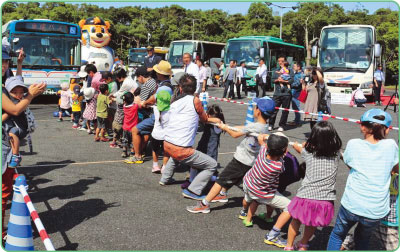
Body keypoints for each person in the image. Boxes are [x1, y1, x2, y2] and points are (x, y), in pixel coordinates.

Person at [327, 109, 398, 250]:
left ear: (362, 126)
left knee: (337, 235)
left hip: (352, 204)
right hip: (376, 210)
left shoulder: (353, 144)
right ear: (387, 130)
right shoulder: (391, 146)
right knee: (363, 238)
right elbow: (396, 169)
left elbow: (350, 164)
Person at [186, 97, 274, 212]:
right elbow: (242, 128)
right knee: (234, 178)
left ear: (258, 111)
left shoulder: (255, 126)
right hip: (251, 160)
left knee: (221, 179)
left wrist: (225, 128)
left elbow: (234, 134)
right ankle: (222, 193)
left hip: (241, 159)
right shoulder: (264, 126)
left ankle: (204, 204)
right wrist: (227, 126)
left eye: (255, 107)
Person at [2, 43, 46, 238]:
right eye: (1, 62)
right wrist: (30, 96)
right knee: (3, 191)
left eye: (5, 61)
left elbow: (14, 81)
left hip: (6, 142)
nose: (4, 65)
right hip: (3, 145)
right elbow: (14, 109)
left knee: (5, 188)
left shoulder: (5, 82)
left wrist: (19, 64)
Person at [159, 74, 221, 200]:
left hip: (167, 144)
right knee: (212, 165)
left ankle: (165, 178)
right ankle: (193, 190)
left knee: (176, 156)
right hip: (181, 148)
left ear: (180, 88)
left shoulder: (175, 102)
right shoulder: (195, 101)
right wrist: (216, 119)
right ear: (195, 88)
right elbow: (204, 119)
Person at [285, 121, 342, 251]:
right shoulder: (337, 154)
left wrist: (296, 144)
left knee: (296, 221)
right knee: (312, 223)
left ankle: (289, 246)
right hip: (324, 199)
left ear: (313, 137)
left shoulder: (308, 153)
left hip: (305, 196)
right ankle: (303, 244)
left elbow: (301, 147)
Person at [240, 133, 292, 248]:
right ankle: (272, 236)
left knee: (247, 199)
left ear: (268, 147)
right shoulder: (278, 166)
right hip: (261, 193)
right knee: (291, 207)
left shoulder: (262, 152)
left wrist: (264, 136)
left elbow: (260, 139)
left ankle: (243, 212)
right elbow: (283, 160)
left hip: (249, 184)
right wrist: (284, 151)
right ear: (283, 151)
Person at [126, 60, 173, 164]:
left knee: (135, 130)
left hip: (159, 115)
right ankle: (143, 152)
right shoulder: (162, 83)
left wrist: (143, 102)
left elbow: (153, 98)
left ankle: (137, 156)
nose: (155, 73)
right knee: (147, 132)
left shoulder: (163, 87)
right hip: (159, 114)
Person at [183, 104, 226, 189]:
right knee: (194, 161)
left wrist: (202, 117)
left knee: (209, 166)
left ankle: (211, 180)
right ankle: (191, 180)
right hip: (203, 144)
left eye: (207, 113)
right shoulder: (208, 121)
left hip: (211, 148)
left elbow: (216, 120)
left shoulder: (219, 122)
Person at [2, 76, 29, 167]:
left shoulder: (17, 102)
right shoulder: (10, 100)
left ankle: (16, 155)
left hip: (19, 127)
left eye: (21, 92)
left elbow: (10, 113)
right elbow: (18, 76)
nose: (18, 95)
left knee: (12, 133)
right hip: (11, 126)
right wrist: (19, 64)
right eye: (14, 92)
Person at [150, 88, 172, 173]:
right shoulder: (171, 110)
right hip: (166, 135)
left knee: (155, 150)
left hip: (156, 134)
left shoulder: (155, 108)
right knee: (166, 151)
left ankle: (155, 166)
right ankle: (164, 167)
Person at [269, 56, 293, 132]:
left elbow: (292, 80)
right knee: (273, 109)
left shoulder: (289, 70)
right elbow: (272, 80)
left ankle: (282, 125)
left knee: (285, 111)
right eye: (279, 61)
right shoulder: (276, 70)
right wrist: (277, 80)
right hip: (277, 93)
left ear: (285, 61)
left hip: (286, 93)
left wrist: (284, 81)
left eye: (282, 61)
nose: (280, 62)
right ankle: (271, 124)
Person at [121, 92, 139, 158]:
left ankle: (124, 151)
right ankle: (132, 152)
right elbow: (139, 105)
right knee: (132, 140)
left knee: (125, 140)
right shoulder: (135, 106)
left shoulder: (124, 107)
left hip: (125, 127)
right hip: (133, 128)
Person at [287, 62, 303, 126]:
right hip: (294, 92)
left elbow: (297, 84)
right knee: (294, 106)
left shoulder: (301, 75)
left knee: (296, 106)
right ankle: (296, 120)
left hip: (297, 93)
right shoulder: (296, 73)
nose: (293, 67)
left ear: (298, 67)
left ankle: (297, 122)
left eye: (294, 66)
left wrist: (289, 84)